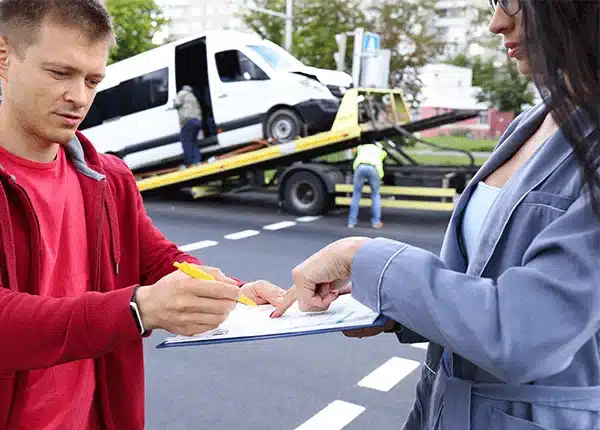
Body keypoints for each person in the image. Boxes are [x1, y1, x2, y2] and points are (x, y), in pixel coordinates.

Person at [273, 1, 600, 429]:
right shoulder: (530, 123)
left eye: (512, 2)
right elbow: (476, 285)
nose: (496, 23)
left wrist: (361, 256)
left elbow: (523, 334)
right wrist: (388, 303)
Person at [0, 1, 285, 429]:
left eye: (93, 79)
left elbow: (157, 261)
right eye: (60, 73)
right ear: (4, 56)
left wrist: (234, 292)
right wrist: (135, 310)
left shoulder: (108, 178)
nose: (79, 97)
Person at [347, 143, 386, 229]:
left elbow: (354, 159)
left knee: (356, 194)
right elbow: (382, 163)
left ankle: (351, 222)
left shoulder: (361, 148)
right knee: (375, 194)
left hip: (360, 167)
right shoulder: (380, 150)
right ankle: (376, 222)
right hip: (373, 168)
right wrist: (380, 178)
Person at [173, 85, 203, 167]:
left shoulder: (182, 93)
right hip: (197, 121)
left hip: (188, 121)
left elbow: (176, 104)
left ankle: (192, 163)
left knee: (186, 142)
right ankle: (197, 161)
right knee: (193, 142)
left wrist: (172, 100)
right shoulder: (193, 96)